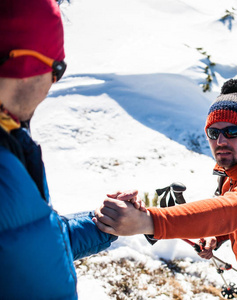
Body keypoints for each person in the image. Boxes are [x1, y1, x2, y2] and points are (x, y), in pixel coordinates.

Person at [94, 79, 237, 299]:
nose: (221, 141)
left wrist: (148, 221)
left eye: (232, 131)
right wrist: (215, 237)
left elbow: (231, 210)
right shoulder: (236, 170)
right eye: (213, 133)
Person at [0, 0, 136, 298]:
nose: (52, 84)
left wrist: (102, 224)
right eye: (57, 67)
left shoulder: (12, 143)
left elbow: (34, 242)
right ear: (23, 62)